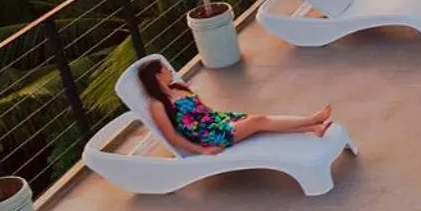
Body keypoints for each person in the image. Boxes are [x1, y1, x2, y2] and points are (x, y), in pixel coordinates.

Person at [136, 58, 331, 156]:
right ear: (157, 76)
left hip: (218, 121)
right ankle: (312, 120)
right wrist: (202, 150)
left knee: (260, 124)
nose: (170, 71)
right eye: (166, 70)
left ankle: (314, 128)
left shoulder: (179, 87)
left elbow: (206, 108)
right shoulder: (158, 105)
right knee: (259, 120)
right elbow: (172, 136)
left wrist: (224, 118)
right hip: (208, 136)